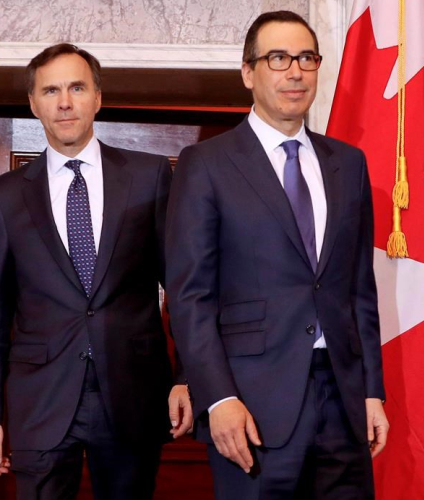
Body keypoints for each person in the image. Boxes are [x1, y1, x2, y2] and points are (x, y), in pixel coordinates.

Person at [166, 11, 389, 500]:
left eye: (306, 58)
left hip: (344, 403)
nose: (295, 71)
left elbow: (359, 290)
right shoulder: (206, 164)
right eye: (278, 58)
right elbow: (190, 297)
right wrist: (218, 397)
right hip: (251, 407)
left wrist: (372, 390)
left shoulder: (347, 163)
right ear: (248, 73)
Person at [0, 43, 191, 500]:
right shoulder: (6, 194)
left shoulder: (148, 175)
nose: (65, 102)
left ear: (97, 97)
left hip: (133, 394)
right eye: (51, 90)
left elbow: (185, 288)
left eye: (76, 87)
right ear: (33, 103)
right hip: (41, 400)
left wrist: (187, 376)